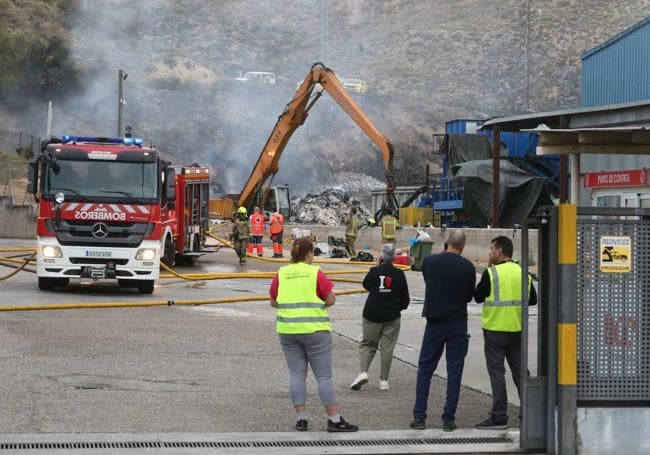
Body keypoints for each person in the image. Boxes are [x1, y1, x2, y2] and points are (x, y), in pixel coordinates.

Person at [269, 237, 359, 433]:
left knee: (296, 374)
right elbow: (331, 299)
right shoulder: (315, 273)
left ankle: (301, 419)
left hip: (288, 332)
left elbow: (273, 301)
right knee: (324, 376)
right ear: (309, 253)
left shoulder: (281, 273)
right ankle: (334, 420)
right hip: (315, 331)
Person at [410, 230, 475, 432]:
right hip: (457, 323)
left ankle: (420, 417)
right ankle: (448, 419)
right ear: (462, 246)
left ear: (447, 243)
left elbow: (429, 280)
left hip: (435, 323)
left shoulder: (430, 261)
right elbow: (468, 296)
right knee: (454, 371)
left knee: (425, 370)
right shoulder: (468, 267)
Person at [474, 235, 537, 430]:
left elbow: (477, 297)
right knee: (520, 373)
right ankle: (530, 413)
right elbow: (533, 300)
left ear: (500, 251)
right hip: (517, 330)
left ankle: (499, 416)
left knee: (497, 373)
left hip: (495, 331)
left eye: (492, 249)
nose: (490, 252)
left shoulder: (491, 274)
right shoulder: (523, 272)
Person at [350, 243, 410, 392]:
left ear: (382, 256)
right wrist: (397, 308)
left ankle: (363, 371)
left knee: (368, 344)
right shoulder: (399, 274)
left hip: (372, 313)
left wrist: (377, 266)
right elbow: (405, 299)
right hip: (392, 315)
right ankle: (384, 380)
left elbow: (366, 285)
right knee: (387, 348)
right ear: (394, 257)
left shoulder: (374, 271)